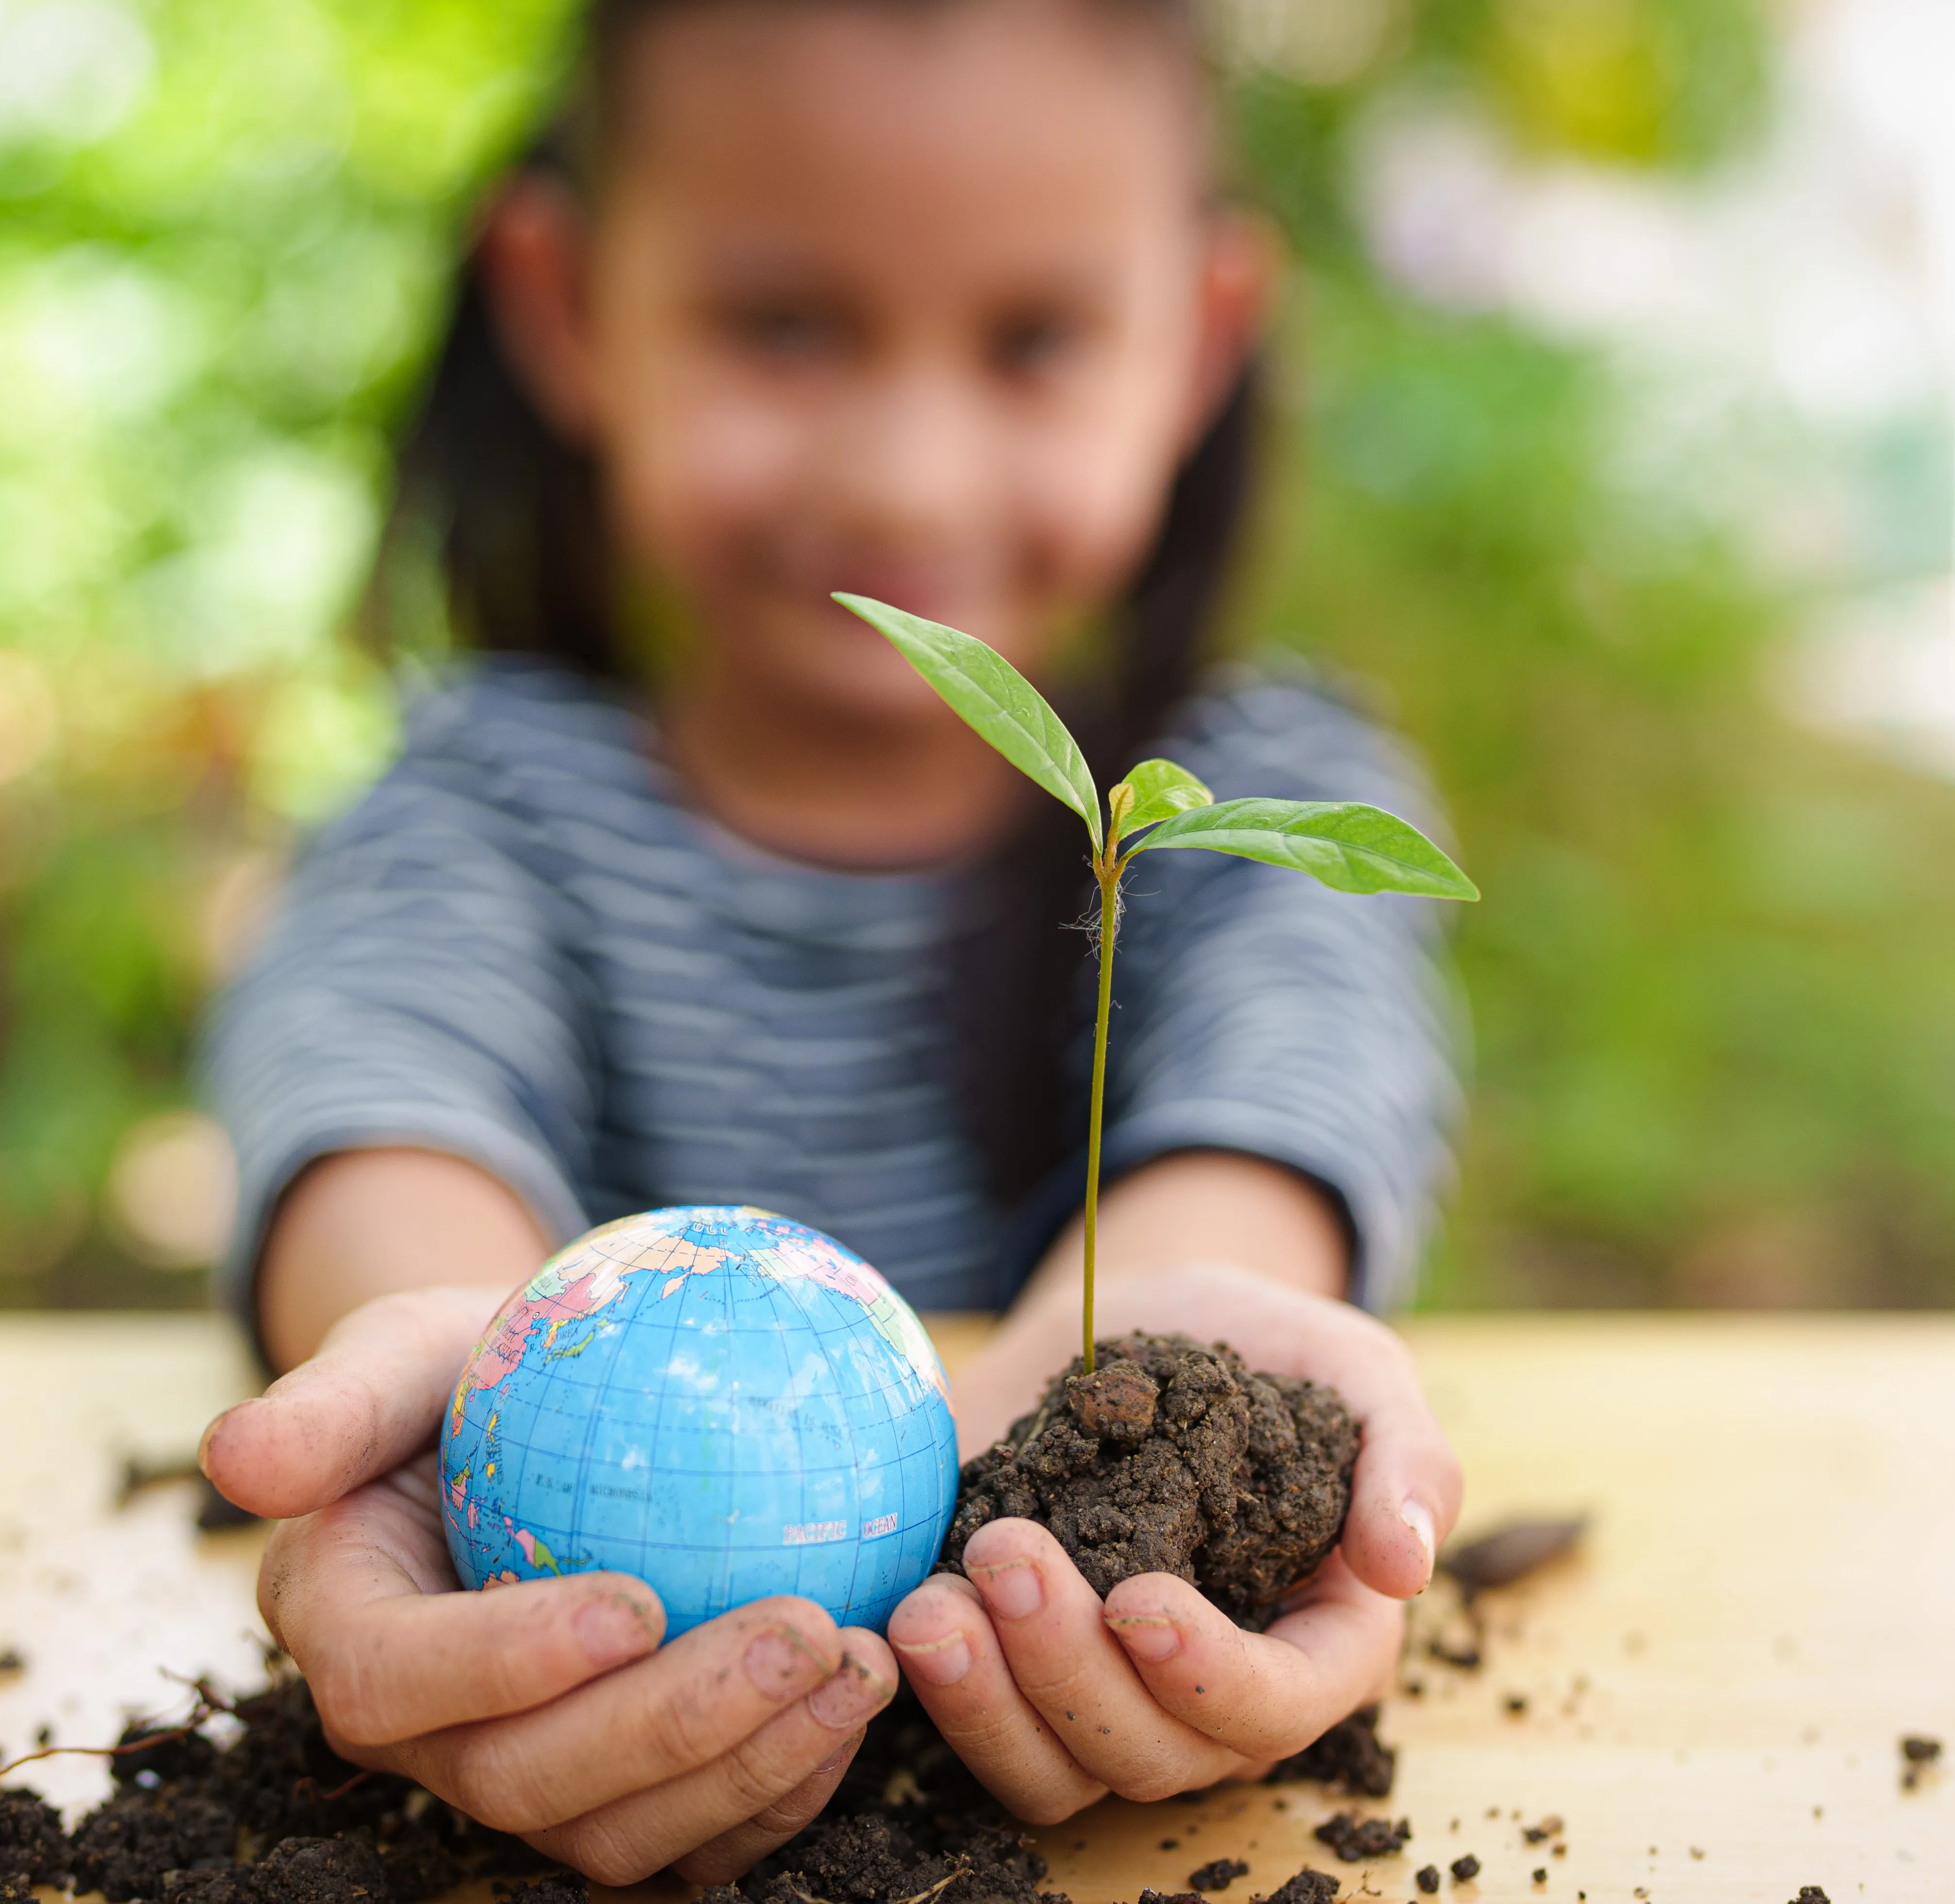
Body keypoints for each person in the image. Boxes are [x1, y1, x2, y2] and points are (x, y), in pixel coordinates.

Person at [195, 0, 1466, 1886]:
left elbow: (1296, 1083)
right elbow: (380, 1084)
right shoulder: (480, 806)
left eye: (1034, 339)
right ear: (564, 307)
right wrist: (457, 1372)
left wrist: (1167, 1414)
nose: (906, 475)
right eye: (784, 324)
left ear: (1196, 339)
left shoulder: (1239, 794)